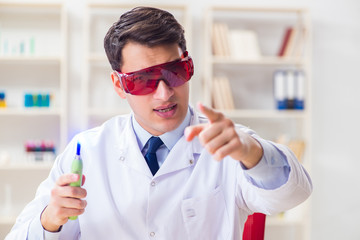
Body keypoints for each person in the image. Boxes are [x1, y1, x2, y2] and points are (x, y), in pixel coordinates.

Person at [6, 6, 312, 240]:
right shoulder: (86, 151)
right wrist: (51, 219)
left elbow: (293, 194)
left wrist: (252, 153)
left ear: (188, 65)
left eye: (175, 72)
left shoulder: (231, 146)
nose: (165, 93)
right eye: (143, 80)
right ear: (118, 84)